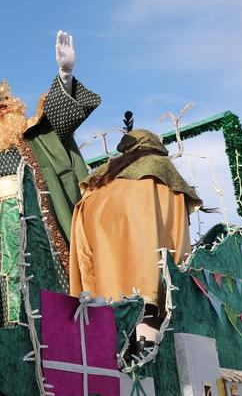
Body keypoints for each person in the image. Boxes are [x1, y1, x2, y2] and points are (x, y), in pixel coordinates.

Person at [0, 30, 101, 328]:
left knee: (48, 281)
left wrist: (65, 74)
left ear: (15, 107)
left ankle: (63, 334)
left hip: (39, 226)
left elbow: (61, 119)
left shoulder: (36, 135)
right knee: (7, 290)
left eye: (3, 107)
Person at [69, 127, 202, 343]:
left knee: (111, 303)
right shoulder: (161, 168)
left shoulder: (102, 179)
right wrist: (179, 276)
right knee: (146, 318)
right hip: (145, 269)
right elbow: (175, 226)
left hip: (101, 253)